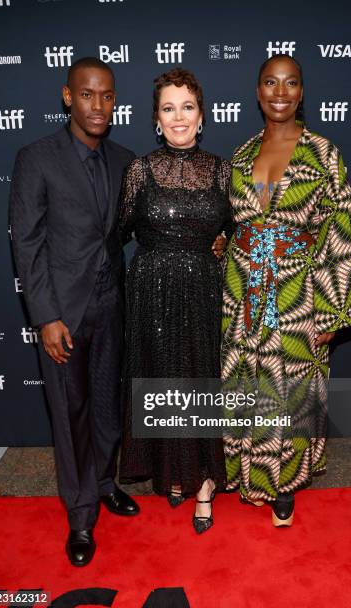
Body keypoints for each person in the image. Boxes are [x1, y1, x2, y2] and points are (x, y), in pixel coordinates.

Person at [221, 54, 351, 526]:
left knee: (293, 390)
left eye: (290, 83)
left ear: (301, 93)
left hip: (299, 293)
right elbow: (239, 223)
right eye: (270, 82)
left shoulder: (324, 153)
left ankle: (285, 483)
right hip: (244, 291)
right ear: (257, 91)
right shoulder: (240, 157)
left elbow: (339, 231)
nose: (279, 92)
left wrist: (334, 310)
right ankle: (248, 473)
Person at [9, 57, 139, 566]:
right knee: (71, 415)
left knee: (108, 408)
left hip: (112, 307)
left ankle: (105, 482)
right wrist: (45, 316)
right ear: (68, 97)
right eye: (87, 94)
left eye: (106, 95)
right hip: (63, 312)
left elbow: (133, 229)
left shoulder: (124, 159)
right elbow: (28, 243)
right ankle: (81, 515)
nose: (98, 105)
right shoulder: (36, 157)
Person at [119, 68, 232, 534]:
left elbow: (241, 231)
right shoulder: (139, 171)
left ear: (201, 117)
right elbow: (118, 233)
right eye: (169, 108)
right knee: (164, 378)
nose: (179, 117)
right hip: (152, 294)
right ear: (156, 119)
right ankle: (172, 475)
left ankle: (204, 484)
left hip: (205, 294)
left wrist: (224, 236)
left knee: (200, 381)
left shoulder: (223, 170)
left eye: (187, 107)